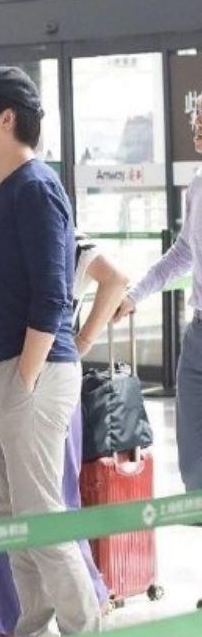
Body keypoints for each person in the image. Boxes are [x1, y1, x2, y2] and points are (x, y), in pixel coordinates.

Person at [0, 67, 101, 636]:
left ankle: (83, 627)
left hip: (31, 373)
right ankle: (30, 625)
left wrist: (25, 380)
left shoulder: (36, 187)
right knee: (14, 518)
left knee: (40, 516)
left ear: (7, 118)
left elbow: (52, 294)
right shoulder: (3, 192)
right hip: (3, 372)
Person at [115, 91, 202, 491]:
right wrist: (135, 294)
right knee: (193, 451)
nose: (197, 123)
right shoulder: (197, 185)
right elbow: (183, 252)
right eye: (196, 115)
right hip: (198, 332)